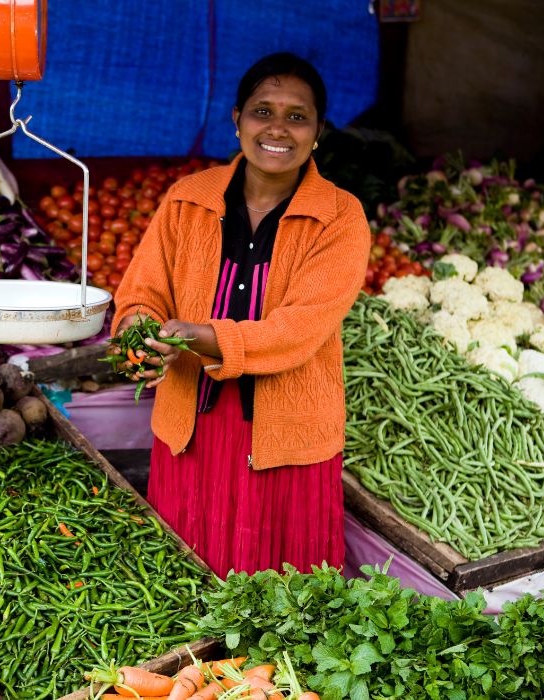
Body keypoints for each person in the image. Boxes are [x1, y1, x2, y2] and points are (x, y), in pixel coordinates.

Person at [109, 52, 371, 577]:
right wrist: (136, 338)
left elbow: (300, 330)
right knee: (184, 588)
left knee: (285, 603)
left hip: (287, 437)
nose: (278, 128)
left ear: (318, 131)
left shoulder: (341, 217)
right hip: (192, 430)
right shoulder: (187, 200)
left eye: (297, 116)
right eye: (262, 111)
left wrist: (201, 335)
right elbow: (141, 293)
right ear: (236, 119)